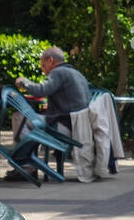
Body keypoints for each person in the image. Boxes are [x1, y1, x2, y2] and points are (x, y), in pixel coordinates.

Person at [6, 46, 91, 180]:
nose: (42, 68)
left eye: (43, 64)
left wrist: (23, 82)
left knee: (19, 117)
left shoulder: (59, 72)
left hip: (64, 128)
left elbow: (41, 90)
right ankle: (28, 163)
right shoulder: (77, 74)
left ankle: (26, 168)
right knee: (32, 120)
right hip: (78, 128)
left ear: (51, 60)